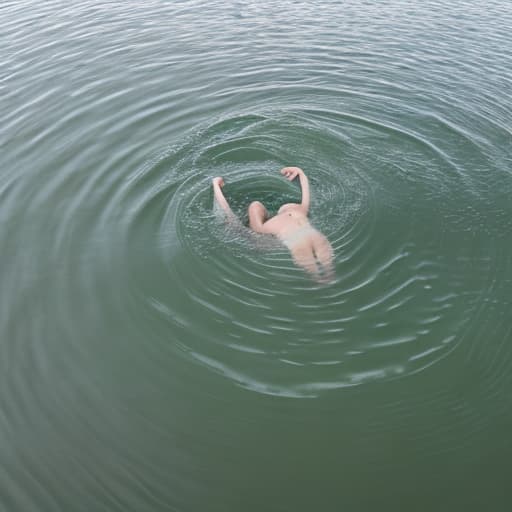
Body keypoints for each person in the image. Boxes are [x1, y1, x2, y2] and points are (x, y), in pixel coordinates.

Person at [212, 167, 334, 281]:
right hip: (312, 236)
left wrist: (216, 186)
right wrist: (300, 172)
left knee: (322, 278)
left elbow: (230, 217)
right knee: (327, 277)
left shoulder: (260, 229)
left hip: (297, 240)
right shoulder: (301, 210)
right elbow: (306, 194)